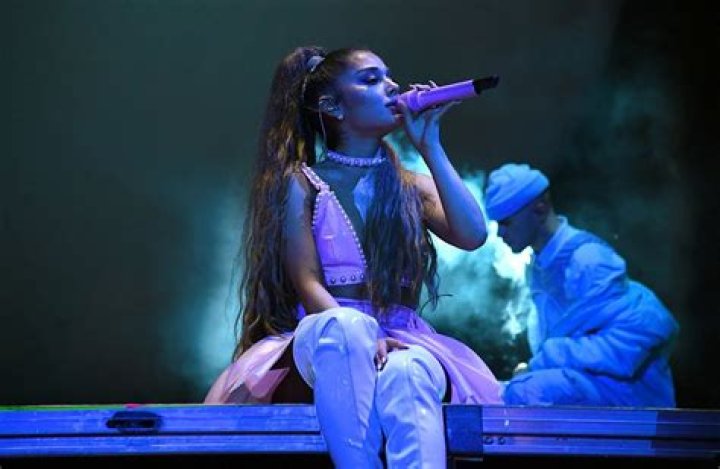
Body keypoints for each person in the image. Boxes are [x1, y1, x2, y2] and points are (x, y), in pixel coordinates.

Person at [204, 45, 503, 468]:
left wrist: (431, 146)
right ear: (332, 106)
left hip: (403, 338)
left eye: (389, 76)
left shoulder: (411, 186)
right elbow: (307, 281)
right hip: (328, 335)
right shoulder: (302, 183)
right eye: (371, 79)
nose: (392, 86)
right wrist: (366, 336)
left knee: (407, 372)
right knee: (347, 329)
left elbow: (473, 235)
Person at [483, 162, 679, 407]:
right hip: (591, 386)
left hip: (629, 396)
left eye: (506, 222)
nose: (500, 234)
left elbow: (635, 338)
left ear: (540, 208)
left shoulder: (588, 259)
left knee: (528, 392)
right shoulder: (538, 267)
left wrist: (544, 361)